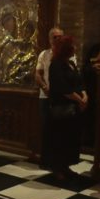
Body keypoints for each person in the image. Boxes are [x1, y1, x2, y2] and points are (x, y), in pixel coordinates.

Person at [46, 36, 87, 178]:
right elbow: (62, 88)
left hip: (74, 108)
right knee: (60, 138)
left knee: (71, 138)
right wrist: (80, 100)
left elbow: (79, 82)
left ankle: (66, 165)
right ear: (66, 49)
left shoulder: (71, 64)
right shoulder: (56, 65)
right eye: (72, 46)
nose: (75, 48)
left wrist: (84, 95)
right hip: (62, 107)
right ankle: (58, 167)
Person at [36, 27, 63, 169]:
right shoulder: (44, 54)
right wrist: (44, 87)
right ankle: (46, 160)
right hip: (46, 96)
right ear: (50, 39)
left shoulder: (68, 55)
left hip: (62, 97)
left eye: (59, 37)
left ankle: (59, 161)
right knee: (46, 128)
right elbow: (38, 74)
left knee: (59, 129)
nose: (57, 39)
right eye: (54, 37)